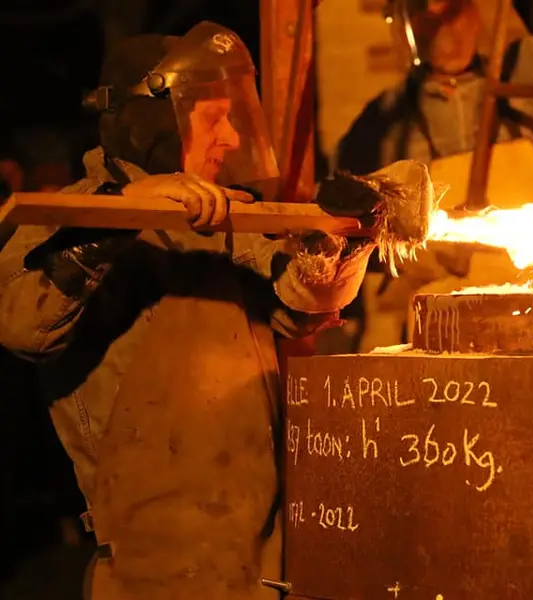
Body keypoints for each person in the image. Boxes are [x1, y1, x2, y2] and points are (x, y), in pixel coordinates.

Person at [0, 22, 432, 600]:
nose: (231, 138)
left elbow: (299, 306)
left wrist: (342, 239)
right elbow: (21, 325)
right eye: (214, 120)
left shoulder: (226, 222)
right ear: (156, 123)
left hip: (258, 566)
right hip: (148, 574)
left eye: (234, 117)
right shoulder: (59, 218)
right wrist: (112, 221)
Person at [335, 0, 533, 350]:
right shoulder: (381, 127)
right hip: (443, 340)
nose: (437, 17)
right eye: (420, 9)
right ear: (402, 23)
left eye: (451, 5)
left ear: (477, 11)